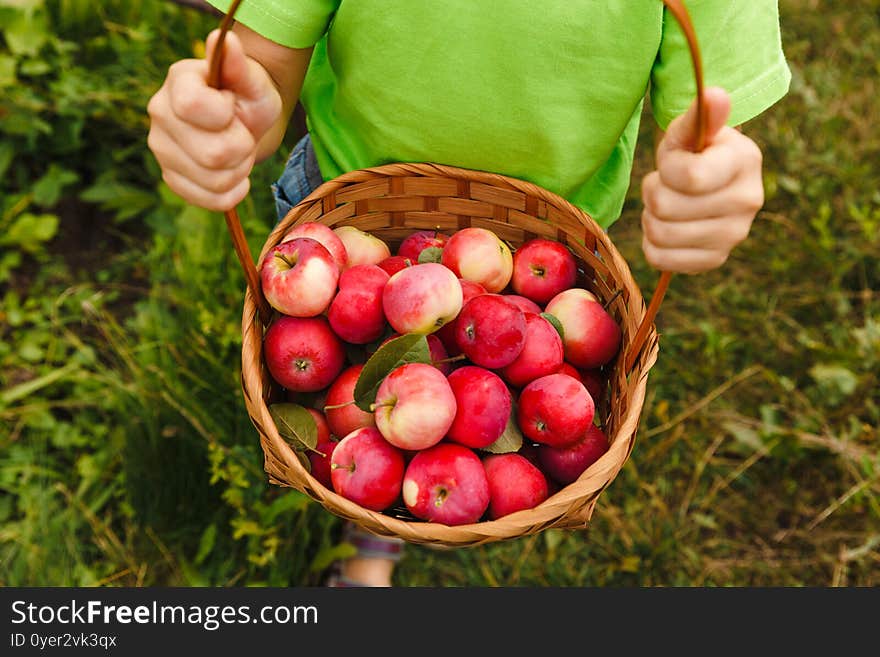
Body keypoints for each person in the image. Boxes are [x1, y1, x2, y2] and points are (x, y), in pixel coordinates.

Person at [146, 1, 791, 586]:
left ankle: (396, 498)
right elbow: (261, 61)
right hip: (348, 227)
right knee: (359, 414)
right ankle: (373, 525)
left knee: (395, 420)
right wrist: (231, 119)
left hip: (550, 245)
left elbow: (712, 115)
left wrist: (714, 176)